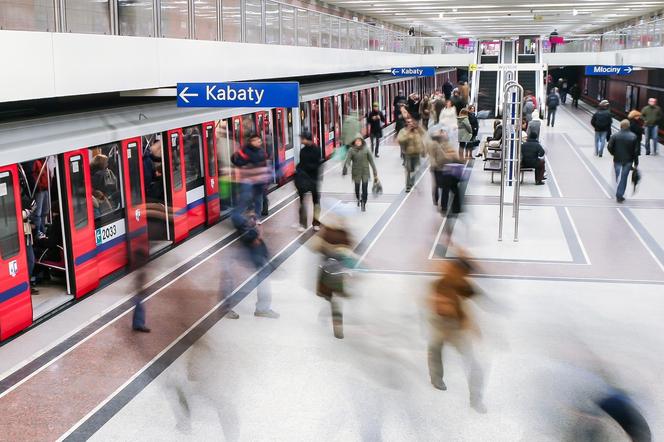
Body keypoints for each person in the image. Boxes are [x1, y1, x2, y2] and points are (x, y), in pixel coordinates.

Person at [427, 255, 485, 413]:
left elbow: (475, 294)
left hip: (455, 327)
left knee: (471, 362)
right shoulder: (440, 285)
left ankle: (475, 399)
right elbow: (440, 307)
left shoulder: (460, 283)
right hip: (443, 324)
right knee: (435, 350)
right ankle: (437, 379)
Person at [311, 213, 357, 339]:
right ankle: (331, 317)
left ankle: (337, 324)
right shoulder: (328, 232)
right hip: (328, 271)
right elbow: (315, 247)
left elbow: (350, 250)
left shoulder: (342, 233)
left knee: (334, 299)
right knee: (331, 297)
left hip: (335, 272)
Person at [231, 209, 279, 318]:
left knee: (262, 275)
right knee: (263, 275)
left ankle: (262, 308)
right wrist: (257, 229)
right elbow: (256, 237)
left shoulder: (243, 215)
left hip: (255, 250)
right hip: (254, 250)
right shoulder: (242, 220)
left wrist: (255, 222)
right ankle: (262, 308)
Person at [231, 133, 270, 223]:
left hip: (259, 180)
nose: (259, 142)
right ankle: (244, 215)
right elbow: (235, 159)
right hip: (247, 180)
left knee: (258, 199)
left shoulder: (261, 151)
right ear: (251, 141)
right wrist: (245, 166)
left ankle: (257, 217)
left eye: (259, 141)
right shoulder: (244, 150)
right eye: (257, 140)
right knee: (247, 198)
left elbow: (264, 165)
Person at [427, 125, 463, 215]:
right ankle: (446, 206)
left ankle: (446, 206)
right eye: (442, 132)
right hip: (442, 170)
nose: (444, 133)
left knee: (447, 188)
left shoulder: (445, 143)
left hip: (445, 170)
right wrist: (452, 157)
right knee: (447, 188)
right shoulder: (435, 146)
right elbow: (442, 159)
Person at [295, 131, 323, 232]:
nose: (301, 140)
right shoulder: (302, 151)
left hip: (313, 179)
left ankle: (316, 222)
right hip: (303, 179)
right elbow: (301, 164)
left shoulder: (316, 150)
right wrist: (298, 169)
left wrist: (304, 168)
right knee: (302, 201)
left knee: (316, 202)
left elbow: (317, 164)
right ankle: (302, 223)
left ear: (307, 139)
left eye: (303, 138)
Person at [343, 134, 378, 211]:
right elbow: (348, 160)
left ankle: (364, 202)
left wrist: (375, 172)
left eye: (359, 141)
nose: (358, 142)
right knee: (357, 188)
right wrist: (346, 166)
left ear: (362, 141)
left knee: (365, 188)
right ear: (354, 142)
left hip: (365, 171)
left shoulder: (366, 150)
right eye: (356, 141)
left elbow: (371, 161)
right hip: (356, 172)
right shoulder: (351, 150)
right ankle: (358, 198)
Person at [608, 120, 639, 203]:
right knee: (624, 178)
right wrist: (636, 162)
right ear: (628, 126)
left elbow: (609, 146)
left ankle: (617, 191)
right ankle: (619, 195)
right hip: (628, 161)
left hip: (617, 159)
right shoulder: (633, 136)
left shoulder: (615, 136)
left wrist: (614, 153)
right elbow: (636, 151)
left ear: (620, 126)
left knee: (618, 177)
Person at [397, 118, 426, 192]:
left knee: (416, 170)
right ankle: (408, 186)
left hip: (417, 154)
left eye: (411, 122)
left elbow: (424, 134)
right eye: (408, 122)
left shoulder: (416, 130)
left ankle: (411, 183)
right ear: (406, 123)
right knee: (408, 170)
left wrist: (419, 127)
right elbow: (400, 140)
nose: (410, 124)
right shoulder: (403, 131)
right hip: (408, 154)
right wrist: (408, 132)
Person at [130, 249, 150, 333]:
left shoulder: (139, 269)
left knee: (138, 308)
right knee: (140, 308)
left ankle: (136, 325)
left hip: (137, 292)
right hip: (138, 293)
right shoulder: (141, 270)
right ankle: (139, 325)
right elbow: (138, 282)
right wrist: (141, 289)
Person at [31, 158, 49, 240]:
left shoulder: (42, 161)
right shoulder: (37, 162)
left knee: (44, 211)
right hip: (40, 189)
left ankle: (42, 230)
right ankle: (38, 232)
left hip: (44, 187)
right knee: (38, 213)